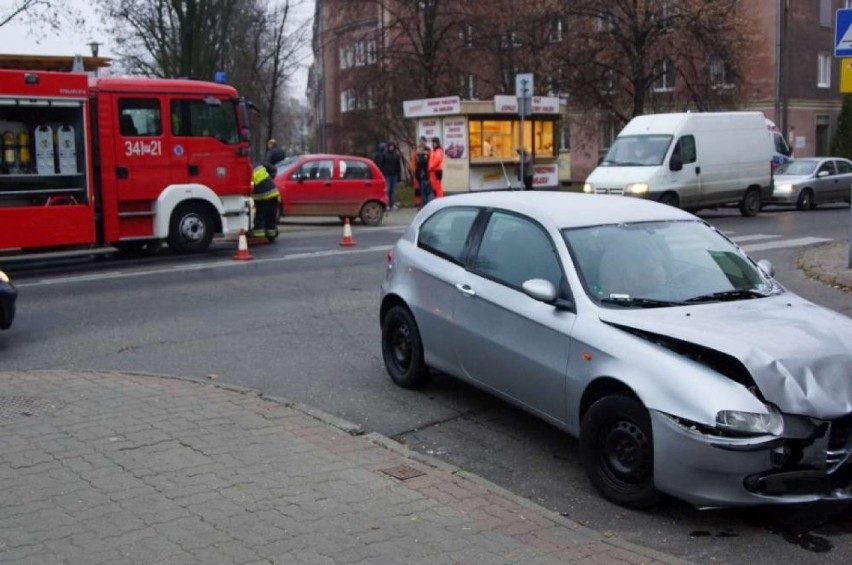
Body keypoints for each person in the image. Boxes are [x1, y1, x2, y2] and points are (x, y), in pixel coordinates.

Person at [250, 161, 281, 241]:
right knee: (271, 215)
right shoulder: (259, 164)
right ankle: (271, 234)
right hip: (273, 193)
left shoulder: (247, 171)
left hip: (261, 196)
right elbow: (273, 169)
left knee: (260, 214)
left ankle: (259, 234)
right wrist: (270, 178)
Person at [381, 141, 403, 210]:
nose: (391, 147)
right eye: (390, 146)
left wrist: (399, 176)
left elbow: (398, 166)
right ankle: (386, 204)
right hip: (387, 175)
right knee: (387, 190)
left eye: (392, 146)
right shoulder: (384, 155)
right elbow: (382, 165)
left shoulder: (396, 155)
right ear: (388, 147)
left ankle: (392, 204)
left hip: (394, 175)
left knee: (393, 191)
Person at [411, 137, 433, 206]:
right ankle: (422, 203)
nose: (422, 143)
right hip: (419, 172)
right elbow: (413, 162)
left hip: (426, 172)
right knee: (420, 189)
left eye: (423, 141)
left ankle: (427, 202)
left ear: (425, 142)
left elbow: (431, 161)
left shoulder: (428, 151)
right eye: (420, 141)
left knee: (427, 188)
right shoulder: (416, 151)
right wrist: (414, 171)